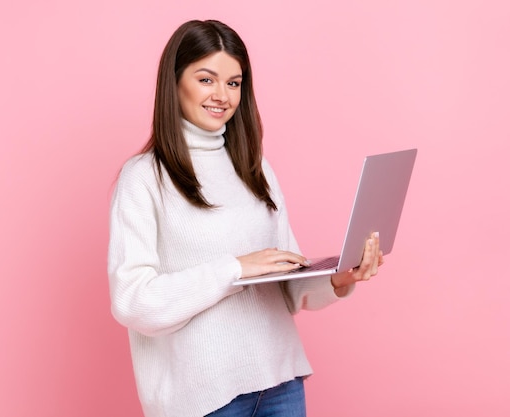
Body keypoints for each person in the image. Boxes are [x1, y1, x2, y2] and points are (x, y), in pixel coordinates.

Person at [107, 19, 383, 417]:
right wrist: (234, 270)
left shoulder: (255, 169)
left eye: (234, 83)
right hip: (204, 400)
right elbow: (133, 302)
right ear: (174, 81)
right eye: (207, 79)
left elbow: (285, 286)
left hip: (280, 385)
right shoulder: (144, 177)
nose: (222, 95)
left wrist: (339, 278)